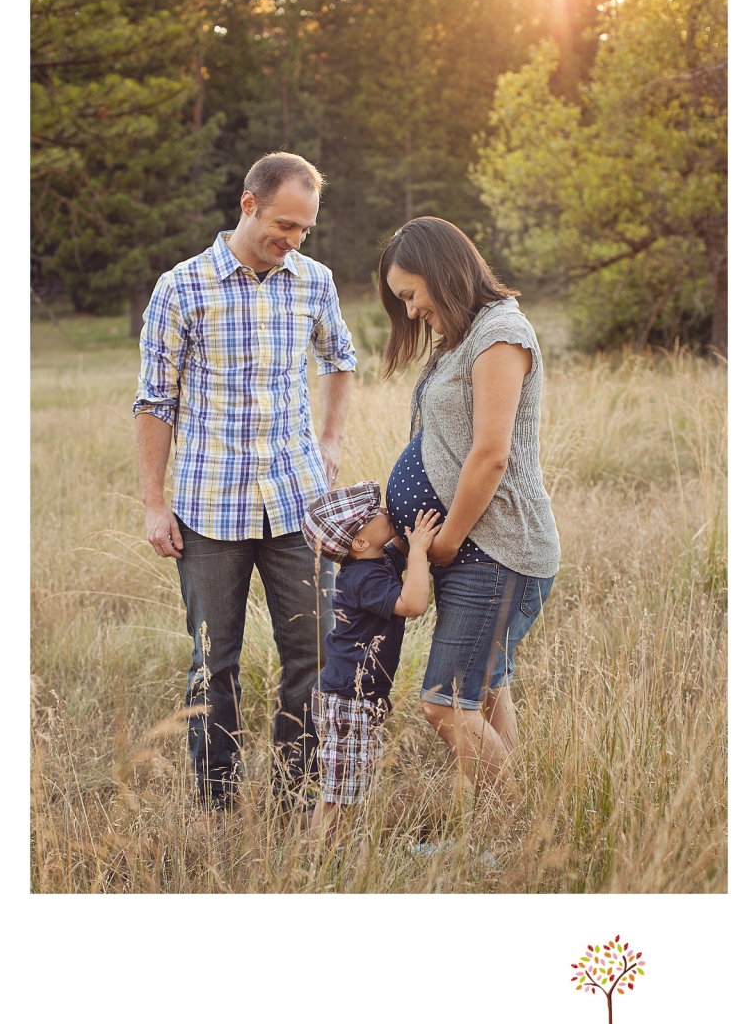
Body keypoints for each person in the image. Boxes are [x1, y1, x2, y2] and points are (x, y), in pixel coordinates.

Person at [132, 152, 356, 809]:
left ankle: (298, 799)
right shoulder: (181, 288)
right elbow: (154, 402)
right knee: (213, 666)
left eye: (305, 231)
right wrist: (154, 504)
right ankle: (217, 805)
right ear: (248, 204)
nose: (293, 241)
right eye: (284, 224)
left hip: (296, 506)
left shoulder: (313, 281)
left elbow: (340, 358)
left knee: (313, 660)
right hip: (209, 510)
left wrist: (332, 438)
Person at [378, 216, 560, 790]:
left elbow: (490, 456)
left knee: (446, 705)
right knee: (484, 693)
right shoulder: (466, 335)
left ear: (441, 272)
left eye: (411, 294)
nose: (409, 311)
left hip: (494, 549)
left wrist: (447, 542)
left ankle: (521, 828)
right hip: (475, 554)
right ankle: (504, 840)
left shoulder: (500, 333)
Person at [301, 482, 440, 840]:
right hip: (348, 698)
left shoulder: (375, 560)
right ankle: (319, 859)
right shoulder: (362, 578)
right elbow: (412, 605)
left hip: (356, 696)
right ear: (360, 543)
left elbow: (397, 547)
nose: (384, 512)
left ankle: (336, 851)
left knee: (349, 786)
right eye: (374, 514)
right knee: (338, 794)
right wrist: (421, 551)